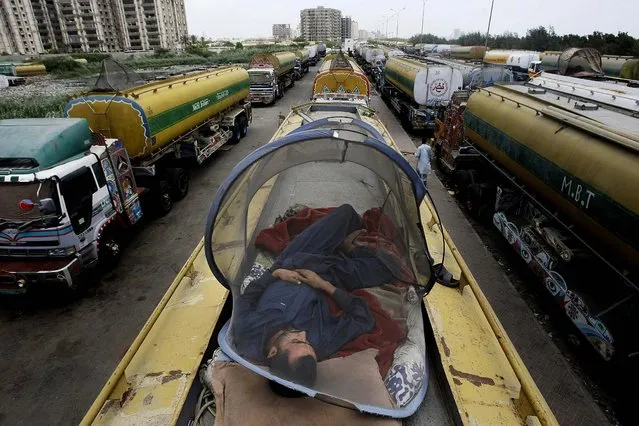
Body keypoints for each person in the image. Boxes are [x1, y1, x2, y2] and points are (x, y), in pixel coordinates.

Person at [232, 204, 395, 387]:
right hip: (329, 273)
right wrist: (324, 285)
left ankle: (340, 245)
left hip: (293, 258)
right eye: (306, 341)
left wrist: (275, 274)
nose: (303, 333)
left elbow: (247, 298)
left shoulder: (247, 333)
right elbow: (362, 318)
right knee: (390, 267)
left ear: (272, 352)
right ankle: (347, 250)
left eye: (296, 340)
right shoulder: (320, 343)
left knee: (347, 213)